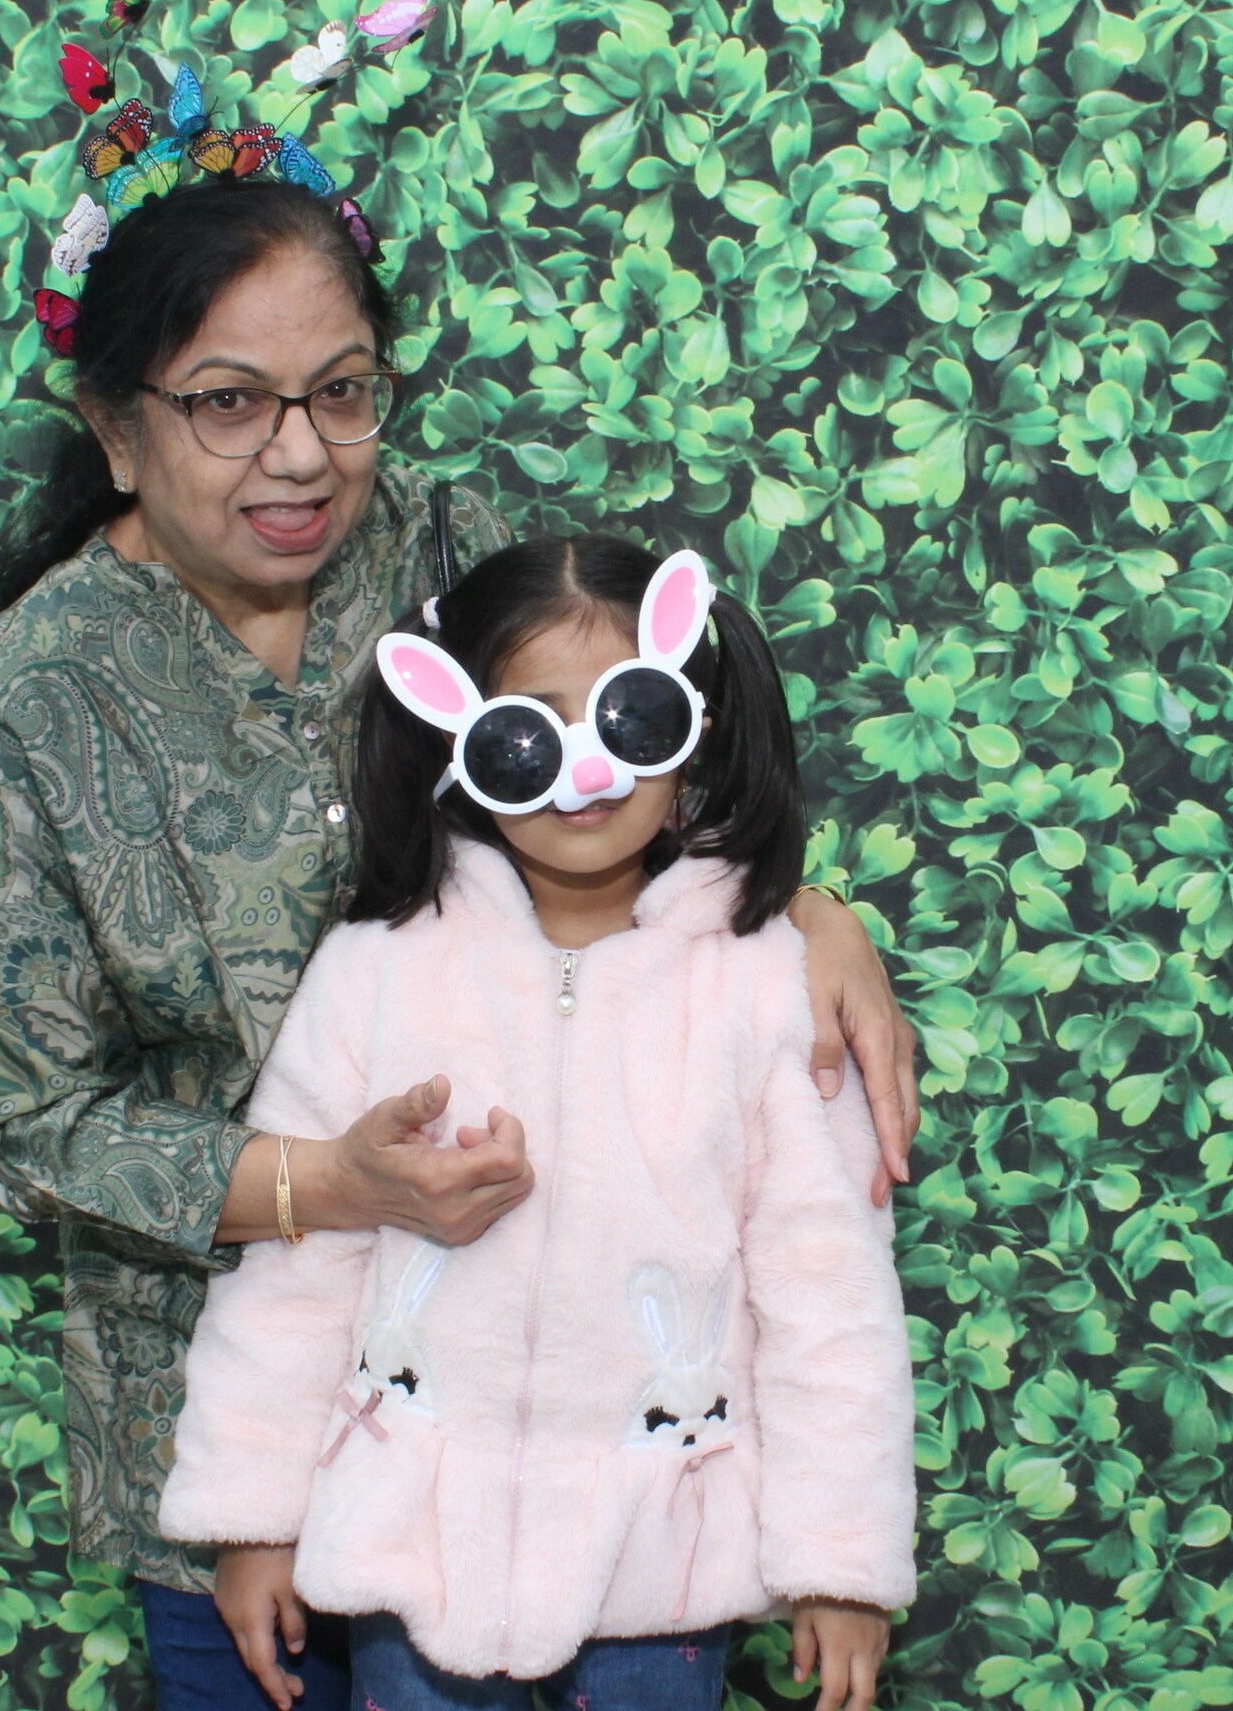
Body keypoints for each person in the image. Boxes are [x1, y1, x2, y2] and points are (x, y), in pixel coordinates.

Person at [0, 178, 922, 1711]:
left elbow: (621, 750)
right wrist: (331, 1188)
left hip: (613, 1472)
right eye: (228, 403)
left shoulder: (447, 551)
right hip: (224, 1420)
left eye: (341, 391)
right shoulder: (33, 696)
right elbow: (30, 1128)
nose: (300, 452)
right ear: (115, 427)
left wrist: (795, 907)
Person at [157, 538, 915, 1711]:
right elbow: (293, 1273)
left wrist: (841, 1565)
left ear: (696, 726)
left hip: (665, 1558)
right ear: (455, 744)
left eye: (629, 719)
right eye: (526, 738)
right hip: (413, 1542)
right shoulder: (373, 970)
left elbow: (830, 1298)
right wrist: (253, 1520)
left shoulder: (769, 987)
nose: (584, 773)